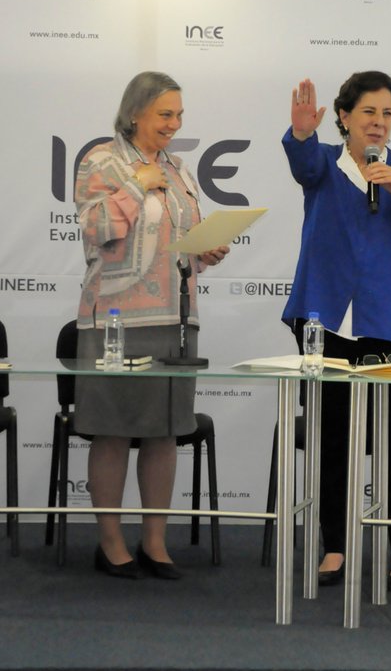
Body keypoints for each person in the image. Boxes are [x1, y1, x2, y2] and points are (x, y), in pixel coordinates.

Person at [280, 72, 391, 591]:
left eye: (387, 114)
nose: (378, 123)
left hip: (390, 321)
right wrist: (301, 133)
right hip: (328, 322)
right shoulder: (324, 165)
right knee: (333, 436)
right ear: (344, 117)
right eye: (368, 112)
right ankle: (335, 545)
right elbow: (303, 164)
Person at [74, 71, 229, 580]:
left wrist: (206, 249)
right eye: (165, 114)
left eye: (179, 115)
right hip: (117, 321)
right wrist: (136, 186)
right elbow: (96, 229)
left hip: (176, 319)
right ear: (135, 112)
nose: (174, 124)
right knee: (113, 432)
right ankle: (111, 543)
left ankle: (155, 543)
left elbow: (179, 239)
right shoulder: (102, 161)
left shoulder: (178, 169)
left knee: (165, 432)